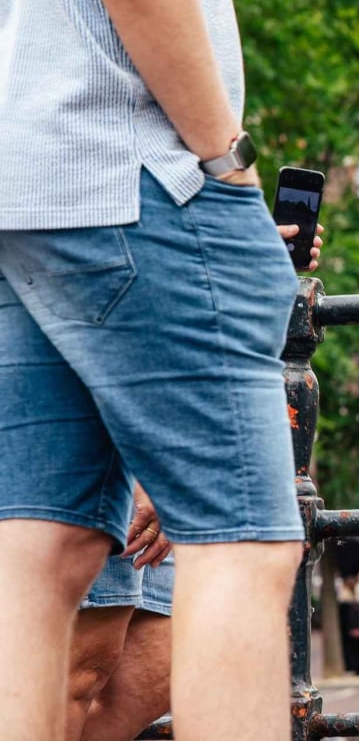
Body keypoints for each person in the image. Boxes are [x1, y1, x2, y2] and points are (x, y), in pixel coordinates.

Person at [0, 0, 319, 739]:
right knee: (244, 543)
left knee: (38, 551)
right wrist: (225, 160)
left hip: (29, 178)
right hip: (134, 167)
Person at [65, 224, 322, 741]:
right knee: (77, 671)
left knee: (153, 669)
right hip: (96, 380)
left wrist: (233, 246)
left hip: (175, 406)